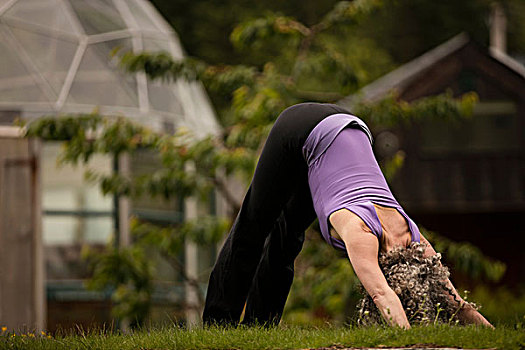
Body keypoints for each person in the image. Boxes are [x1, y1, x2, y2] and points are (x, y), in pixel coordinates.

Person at [202, 102, 493, 328]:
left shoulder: (412, 237)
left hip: (350, 127)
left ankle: (257, 329)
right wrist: (410, 342)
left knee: (288, 237)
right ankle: (218, 326)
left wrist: (495, 336)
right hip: (299, 126)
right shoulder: (362, 235)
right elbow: (382, 295)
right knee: (253, 226)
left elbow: (456, 303)